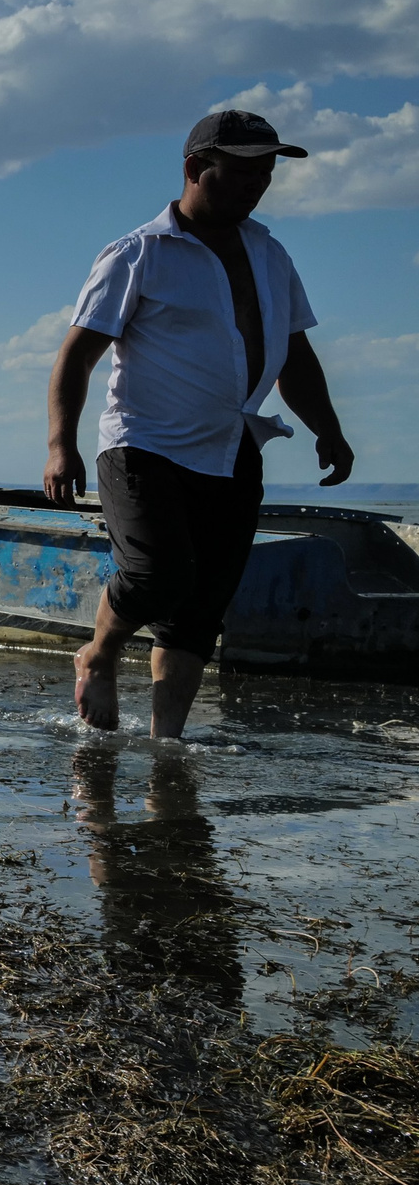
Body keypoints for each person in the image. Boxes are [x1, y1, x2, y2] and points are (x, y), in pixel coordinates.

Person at [44, 109, 355, 738]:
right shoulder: (138, 253)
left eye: (265, 174)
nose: (257, 185)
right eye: (241, 172)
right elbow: (77, 354)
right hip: (144, 446)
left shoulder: (270, 254)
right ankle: (98, 652)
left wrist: (329, 428)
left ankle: (167, 749)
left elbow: (293, 353)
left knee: (201, 608)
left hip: (233, 447)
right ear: (194, 168)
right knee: (160, 574)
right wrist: (60, 446)